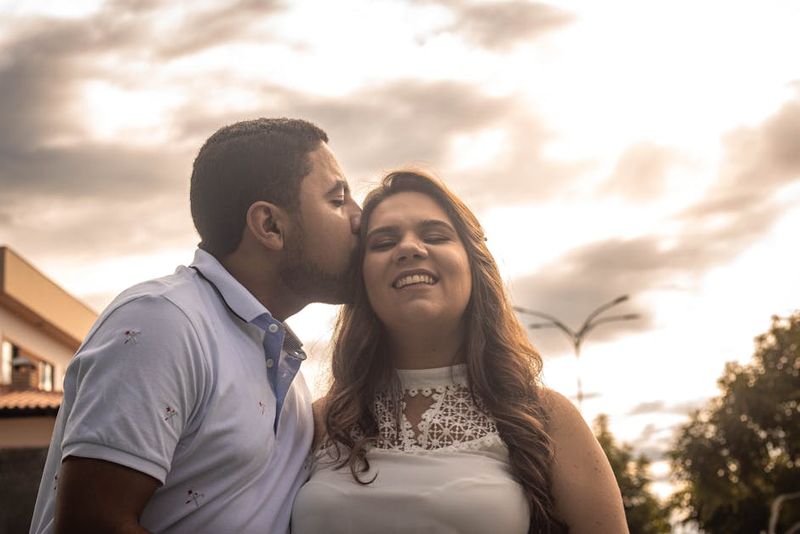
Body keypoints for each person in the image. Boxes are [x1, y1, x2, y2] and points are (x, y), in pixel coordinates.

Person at [30, 118, 362, 534]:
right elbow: (92, 525)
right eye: (338, 199)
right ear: (270, 226)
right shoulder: (164, 322)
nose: (358, 217)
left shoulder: (284, 370)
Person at [291, 170, 628, 533]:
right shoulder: (322, 421)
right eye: (383, 242)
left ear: (473, 266)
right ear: (361, 278)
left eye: (435, 235)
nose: (409, 248)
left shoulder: (546, 418)